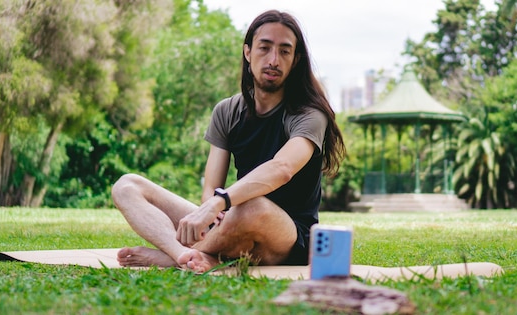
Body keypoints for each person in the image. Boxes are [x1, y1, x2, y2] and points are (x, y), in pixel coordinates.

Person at [111, 9, 345, 272]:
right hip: (232, 219)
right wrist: (213, 208)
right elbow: (211, 189)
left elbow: (282, 169)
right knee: (126, 185)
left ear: (295, 60)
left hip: (288, 237)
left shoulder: (309, 115)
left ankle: (177, 256)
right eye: (264, 48)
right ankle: (180, 255)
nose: (273, 60)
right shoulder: (227, 111)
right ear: (248, 52)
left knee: (253, 206)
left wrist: (219, 202)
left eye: (284, 51)